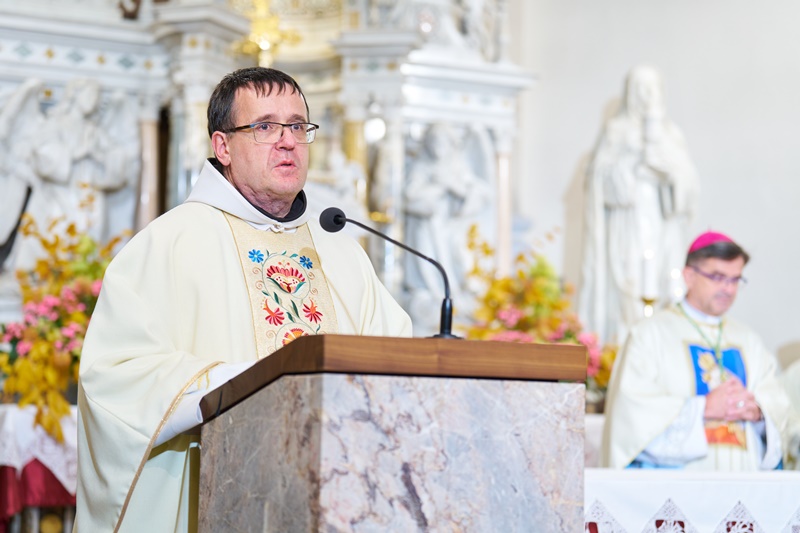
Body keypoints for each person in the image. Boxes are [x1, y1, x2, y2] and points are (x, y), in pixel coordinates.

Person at [75, 67, 412, 532]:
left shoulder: (341, 251)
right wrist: (237, 384)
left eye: (297, 126)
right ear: (223, 147)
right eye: (265, 126)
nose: (288, 141)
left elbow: (396, 365)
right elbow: (114, 375)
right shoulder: (169, 243)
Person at [602, 231, 789, 470]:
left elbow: (779, 408)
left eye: (735, 280)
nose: (728, 289)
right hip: (677, 484)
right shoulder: (650, 335)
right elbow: (631, 414)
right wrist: (704, 407)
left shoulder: (749, 341)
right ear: (689, 276)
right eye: (718, 277)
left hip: (744, 481)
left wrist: (759, 413)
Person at [579, 65, 699, 346]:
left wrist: (668, 172)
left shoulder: (672, 134)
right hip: (628, 220)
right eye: (640, 88)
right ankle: (622, 346)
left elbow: (688, 183)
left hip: (662, 219)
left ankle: (663, 346)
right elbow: (597, 179)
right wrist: (631, 165)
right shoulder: (617, 130)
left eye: (652, 88)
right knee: (629, 283)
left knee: (663, 279)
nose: (647, 95)